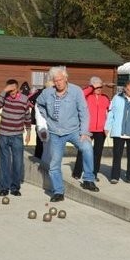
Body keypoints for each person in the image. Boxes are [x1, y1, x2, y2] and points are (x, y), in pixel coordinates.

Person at [36, 66, 99, 202]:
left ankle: (88, 179)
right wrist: (46, 117)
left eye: (60, 79)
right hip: (55, 133)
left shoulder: (76, 91)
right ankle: (58, 191)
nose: (58, 83)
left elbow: (84, 111)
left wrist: (84, 132)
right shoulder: (47, 93)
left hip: (74, 131)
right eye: (55, 80)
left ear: (66, 78)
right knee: (54, 164)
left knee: (87, 148)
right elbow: (39, 103)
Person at [0, 79, 32, 196]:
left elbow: (27, 116)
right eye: (9, 90)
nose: (12, 92)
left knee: (18, 162)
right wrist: (4, 91)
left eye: (13, 89)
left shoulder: (24, 99)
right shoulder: (4, 97)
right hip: (3, 135)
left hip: (17, 136)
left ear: (18, 88)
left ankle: (15, 187)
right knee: (4, 162)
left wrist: (29, 132)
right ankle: (4, 187)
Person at [73, 76, 110, 181]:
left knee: (97, 153)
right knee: (83, 150)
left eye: (100, 86)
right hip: (87, 129)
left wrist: (107, 127)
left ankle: (94, 174)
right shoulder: (86, 96)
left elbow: (110, 113)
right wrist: (91, 87)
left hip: (100, 130)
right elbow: (81, 93)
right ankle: (77, 172)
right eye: (97, 86)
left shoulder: (105, 98)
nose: (99, 88)